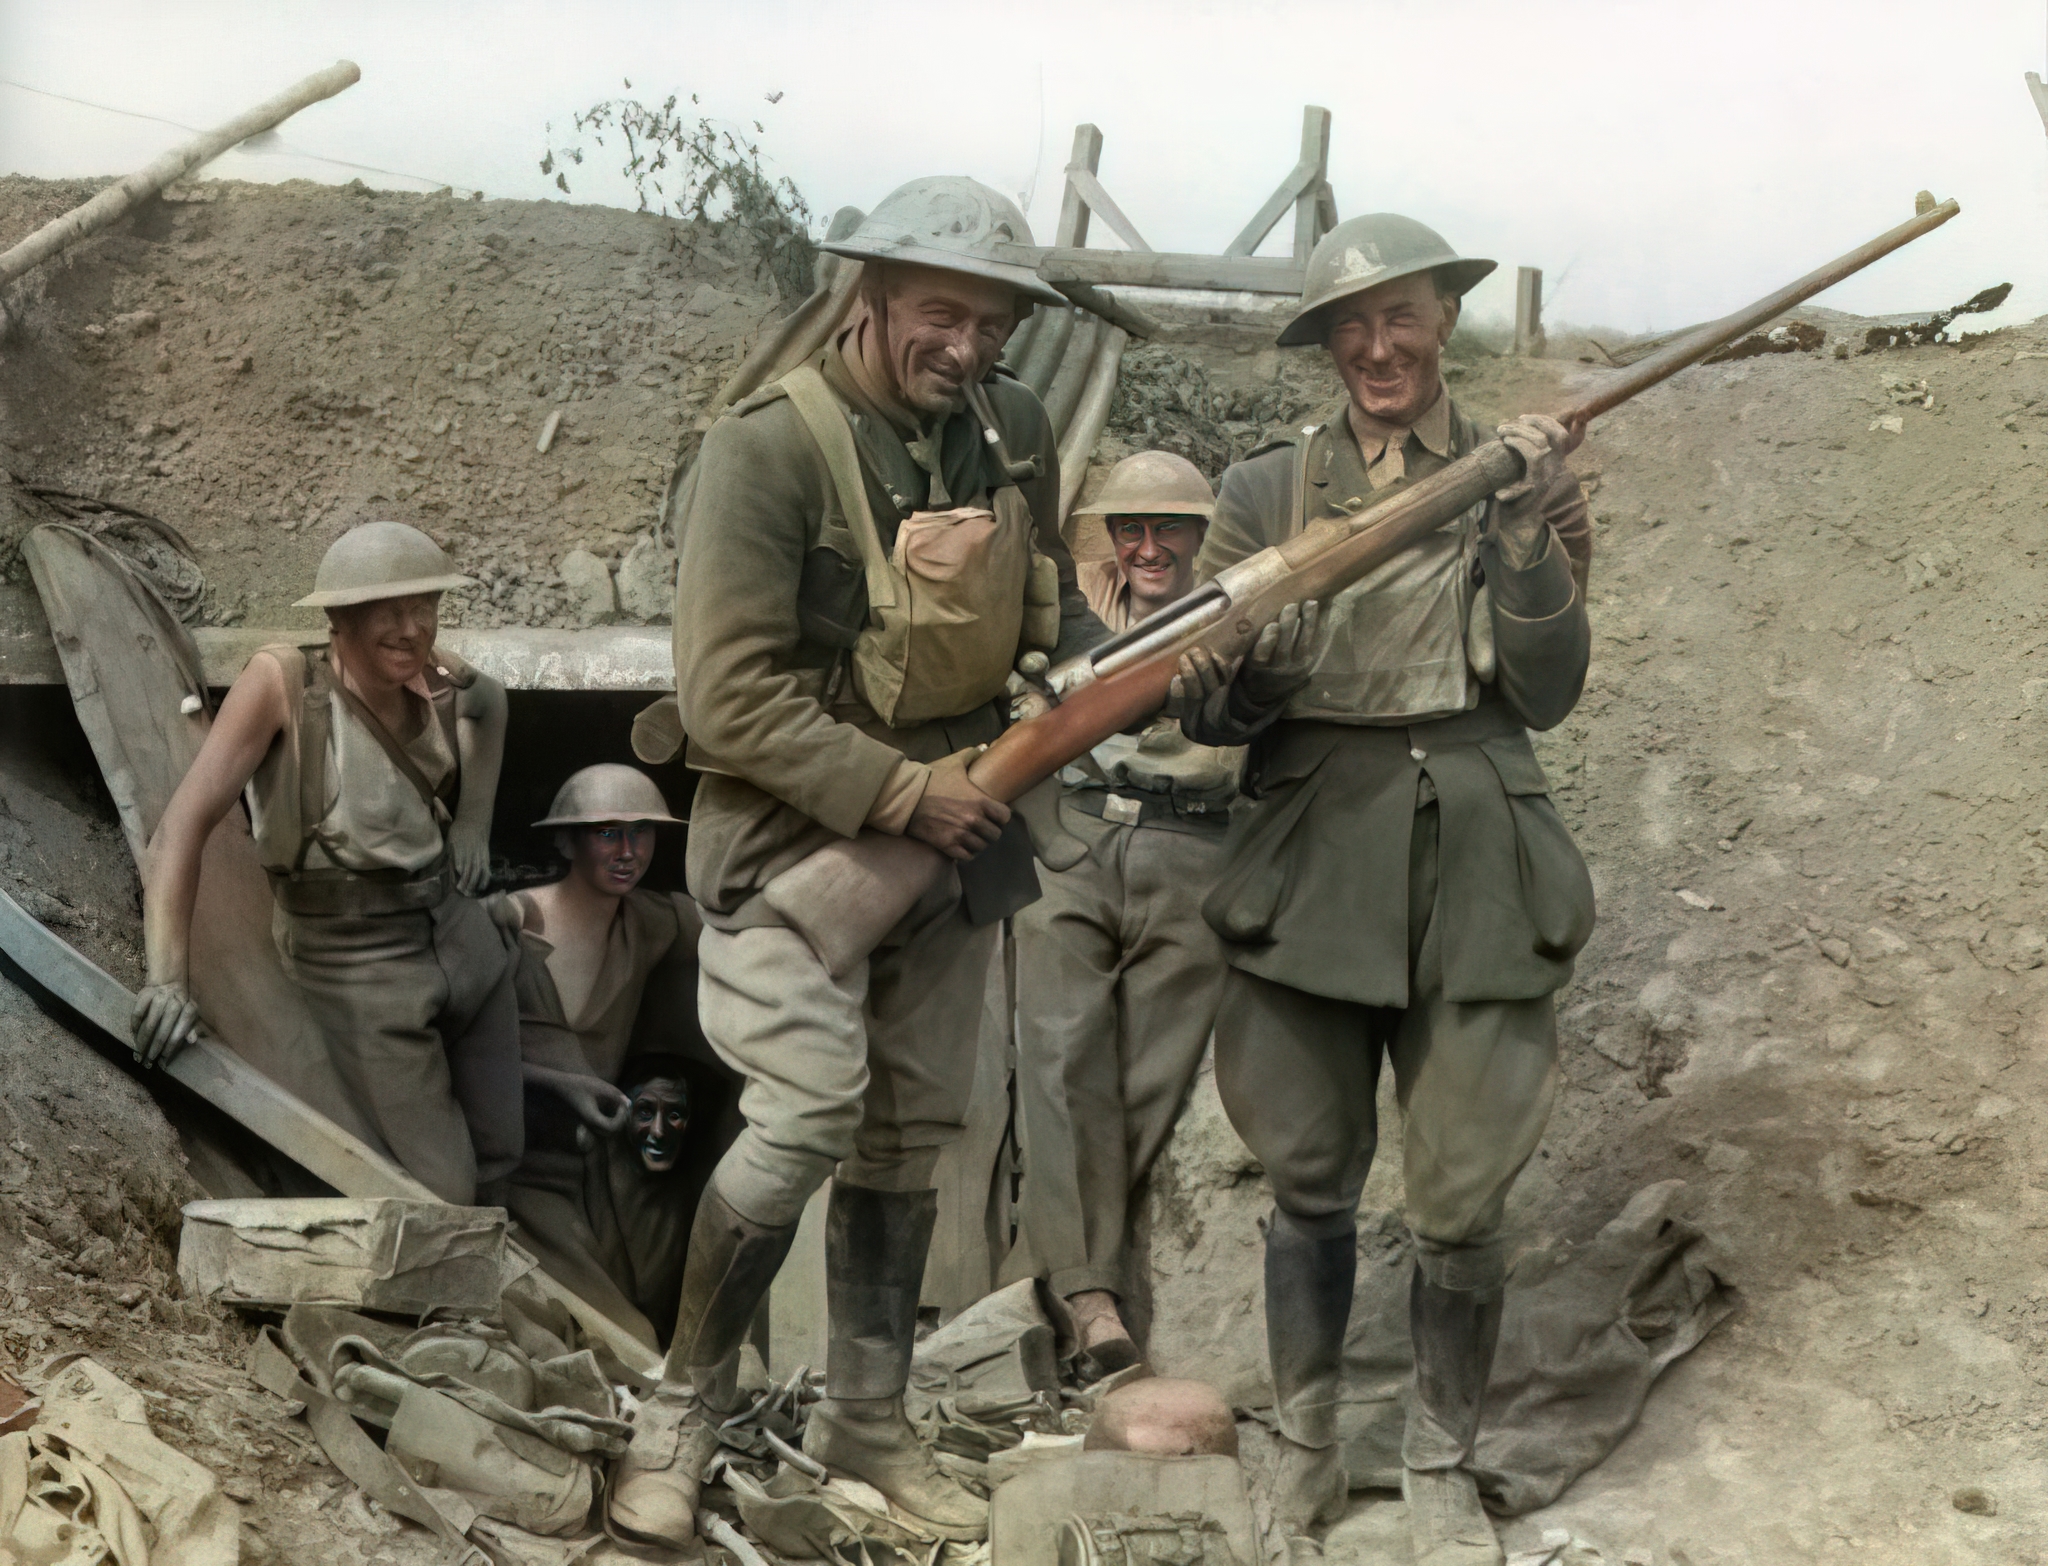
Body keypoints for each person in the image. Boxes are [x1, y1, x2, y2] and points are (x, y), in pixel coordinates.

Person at [607, 175, 1107, 1549]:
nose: (969, 344)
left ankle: (867, 1421)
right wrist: (899, 790)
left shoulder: (1012, 431)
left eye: (995, 320)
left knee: (908, 1131)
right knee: (808, 1113)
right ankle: (680, 1405)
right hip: (795, 846)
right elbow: (725, 696)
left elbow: (1045, 613)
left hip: (958, 845)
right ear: (868, 295)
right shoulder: (767, 451)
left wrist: (1100, 682)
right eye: (942, 312)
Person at [1172, 213, 1595, 1565]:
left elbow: (1548, 688)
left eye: (1401, 316)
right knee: (1307, 1174)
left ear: (1443, 321)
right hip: (1311, 849)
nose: (1378, 347)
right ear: (1325, 348)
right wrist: (1256, 669)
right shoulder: (1261, 491)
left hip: (1478, 840)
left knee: (1463, 1192)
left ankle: (1440, 1465)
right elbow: (1216, 713)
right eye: (1350, 326)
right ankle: (1305, 1445)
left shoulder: (1517, 471)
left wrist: (1525, 531)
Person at [133, 521, 519, 1206]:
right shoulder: (285, 683)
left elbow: (492, 702)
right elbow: (180, 830)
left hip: (462, 939)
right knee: (444, 1192)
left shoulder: (435, 676)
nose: (412, 628)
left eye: (424, 606)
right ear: (339, 617)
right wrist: (166, 980)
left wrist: (475, 826)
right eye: (389, 611)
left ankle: (518, 1291)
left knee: (505, 1151)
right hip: (359, 962)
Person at [999, 451, 1241, 1374]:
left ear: (1197, 534)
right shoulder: (1072, 616)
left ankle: (1057, 1285)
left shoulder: (1236, 609)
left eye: (1169, 528)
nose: (1150, 548)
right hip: (1080, 837)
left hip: (1195, 850)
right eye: (1131, 530)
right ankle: (1093, 1301)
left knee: (1149, 1074)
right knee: (1062, 1057)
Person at [498, 763, 712, 1351]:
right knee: (628, 1339)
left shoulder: (649, 921)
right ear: (566, 841)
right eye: (607, 833)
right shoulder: (512, 921)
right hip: (518, 1173)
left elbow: (742, 929)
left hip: (597, 1173)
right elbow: (454, 1056)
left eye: (641, 832)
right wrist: (557, 1082)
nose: (628, 851)